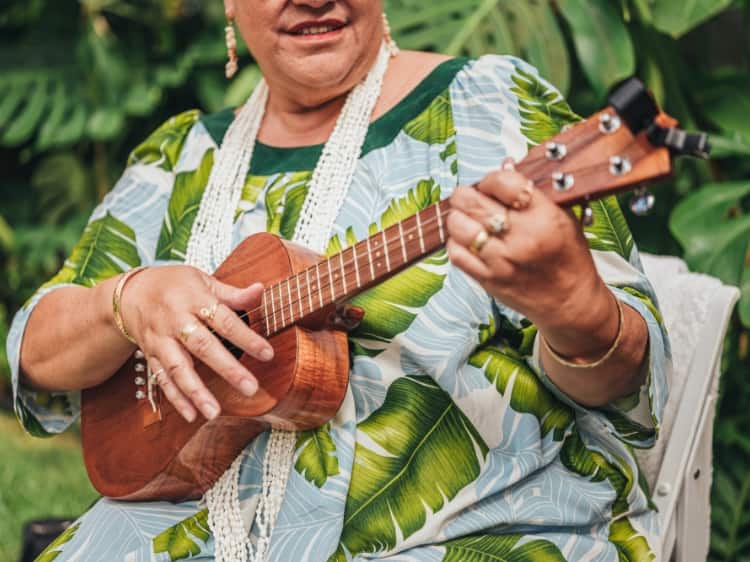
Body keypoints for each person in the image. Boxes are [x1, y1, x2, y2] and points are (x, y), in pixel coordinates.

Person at [7, 1, 669, 560]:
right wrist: (127, 301)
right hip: (187, 531)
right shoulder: (180, 157)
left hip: (464, 531)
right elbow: (36, 354)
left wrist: (574, 310)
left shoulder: (489, 104)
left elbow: (630, 385)